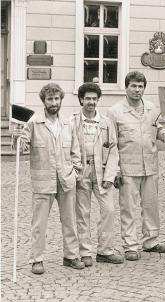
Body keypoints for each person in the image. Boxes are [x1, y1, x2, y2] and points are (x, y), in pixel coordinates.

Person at [107, 71, 165, 261]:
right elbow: (111, 144)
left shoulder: (152, 109)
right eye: (133, 86)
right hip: (128, 168)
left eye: (140, 86)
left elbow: (159, 130)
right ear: (126, 87)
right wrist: (114, 170)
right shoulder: (115, 112)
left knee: (151, 206)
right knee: (128, 208)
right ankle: (130, 245)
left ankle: (151, 241)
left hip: (150, 165)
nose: (137, 90)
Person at [16, 83, 84, 274]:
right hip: (42, 181)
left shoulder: (68, 125)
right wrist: (20, 141)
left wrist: (75, 172)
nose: (54, 103)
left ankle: (71, 256)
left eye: (56, 99)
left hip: (66, 180)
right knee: (39, 224)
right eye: (50, 99)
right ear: (43, 101)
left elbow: (76, 152)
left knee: (70, 221)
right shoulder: (33, 124)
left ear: (61, 100)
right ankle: (37, 260)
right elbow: (22, 146)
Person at [71, 83, 123, 266]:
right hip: (81, 172)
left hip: (101, 172)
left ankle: (105, 251)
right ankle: (85, 252)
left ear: (98, 100)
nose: (91, 102)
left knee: (108, 210)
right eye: (88, 99)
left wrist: (110, 175)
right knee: (83, 213)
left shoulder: (106, 123)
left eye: (94, 99)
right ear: (81, 100)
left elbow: (114, 150)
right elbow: (68, 149)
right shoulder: (72, 122)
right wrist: (74, 172)